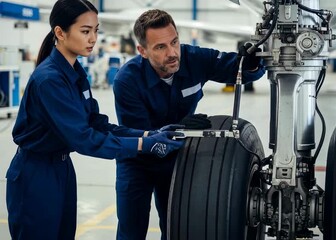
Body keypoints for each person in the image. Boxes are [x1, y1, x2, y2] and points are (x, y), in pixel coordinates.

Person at [5, 1, 184, 239]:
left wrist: (148, 134)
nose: (93, 38)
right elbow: (84, 139)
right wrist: (143, 146)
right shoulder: (49, 80)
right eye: (85, 31)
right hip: (36, 173)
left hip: (62, 169)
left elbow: (97, 124)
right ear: (60, 32)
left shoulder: (76, 73)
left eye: (96, 30)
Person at [113, 9, 265, 240]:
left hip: (176, 159)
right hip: (137, 163)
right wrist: (179, 128)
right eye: (161, 47)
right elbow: (141, 135)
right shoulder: (127, 81)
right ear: (142, 51)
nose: (172, 53)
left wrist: (251, 62)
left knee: (176, 227)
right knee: (131, 230)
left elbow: (237, 70)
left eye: (174, 42)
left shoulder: (194, 58)